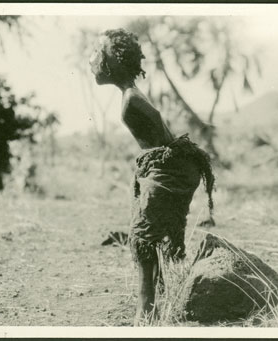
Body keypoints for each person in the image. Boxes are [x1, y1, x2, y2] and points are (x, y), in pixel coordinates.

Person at [89, 28, 215, 326]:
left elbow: (160, 128)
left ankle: (146, 312)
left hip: (166, 169)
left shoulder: (132, 99)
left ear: (113, 62)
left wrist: (161, 167)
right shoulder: (130, 96)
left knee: (142, 239)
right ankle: (156, 301)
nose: (91, 60)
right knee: (145, 237)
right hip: (164, 168)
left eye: (97, 53)